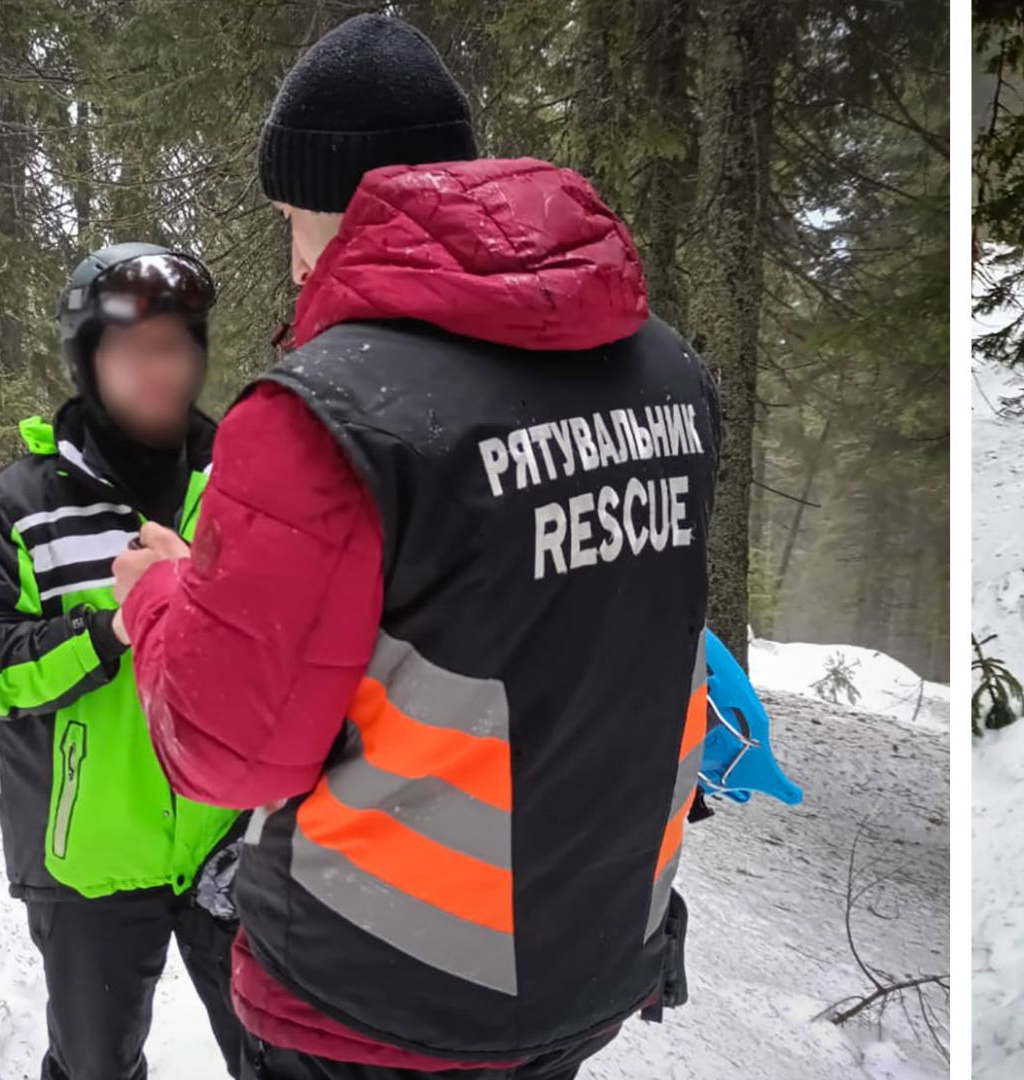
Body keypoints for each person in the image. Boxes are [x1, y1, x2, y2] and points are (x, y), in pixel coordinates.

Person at [107, 15, 716, 1079]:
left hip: (381, 995)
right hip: (592, 956)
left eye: (293, 220)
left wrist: (158, 594)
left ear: (332, 212)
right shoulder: (666, 374)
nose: (295, 263)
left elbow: (229, 750)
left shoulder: (325, 414)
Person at [0, 243, 245, 1080]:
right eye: (129, 349)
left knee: (286, 1059)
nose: (158, 369)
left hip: (232, 846)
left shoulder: (238, 487)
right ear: (86, 359)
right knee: (94, 1070)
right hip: (89, 869)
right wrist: (113, 625)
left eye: (175, 344)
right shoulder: (18, 505)